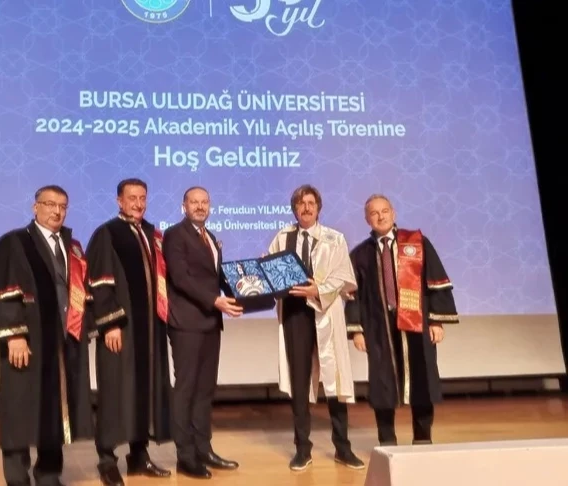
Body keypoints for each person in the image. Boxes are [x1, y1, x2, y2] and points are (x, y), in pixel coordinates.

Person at [0, 185, 94, 486]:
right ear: (35, 207)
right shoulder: (14, 243)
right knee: (19, 408)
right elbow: (3, 293)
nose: (57, 211)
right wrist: (14, 335)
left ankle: (49, 474)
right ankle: (17, 477)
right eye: (50, 204)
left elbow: (80, 292)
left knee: (55, 408)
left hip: (62, 342)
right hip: (28, 341)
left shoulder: (73, 247)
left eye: (63, 206)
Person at [344, 194, 459, 446]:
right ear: (367, 219)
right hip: (379, 327)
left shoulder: (417, 244)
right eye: (374, 213)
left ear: (393, 213)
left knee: (421, 379)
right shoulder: (360, 254)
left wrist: (436, 321)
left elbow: (435, 280)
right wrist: (357, 330)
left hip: (417, 324)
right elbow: (353, 296)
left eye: (384, 211)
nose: (380, 216)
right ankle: (387, 442)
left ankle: (423, 438)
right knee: (382, 383)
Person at [266, 184, 364, 471]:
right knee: (300, 382)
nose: (306, 207)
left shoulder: (334, 238)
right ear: (294, 209)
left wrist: (317, 290)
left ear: (318, 207)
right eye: (300, 203)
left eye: (310, 203)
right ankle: (302, 448)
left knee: (334, 381)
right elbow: (268, 270)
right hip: (295, 315)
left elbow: (344, 277)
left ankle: (343, 448)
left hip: (326, 313)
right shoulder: (282, 237)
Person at [84, 178, 172, 486]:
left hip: (149, 330)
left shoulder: (151, 234)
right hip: (121, 328)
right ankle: (107, 460)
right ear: (119, 201)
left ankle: (138, 456)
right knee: (115, 391)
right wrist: (110, 323)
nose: (138, 203)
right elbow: (99, 282)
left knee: (145, 389)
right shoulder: (107, 233)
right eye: (131, 198)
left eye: (142, 197)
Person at [162, 186, 242, 479]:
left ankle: (203, 449)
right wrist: (214, 300)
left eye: (204, 202)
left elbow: (216, 277)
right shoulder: (174, 235)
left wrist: (249, 282)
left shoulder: (211, 237)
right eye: (194, 202)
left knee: (205, 391)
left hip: (210, 323)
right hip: (186, 323)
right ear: (184, 206)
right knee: (186, 390)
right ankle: (185, 456)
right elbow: (180, 278)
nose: (199, 206)